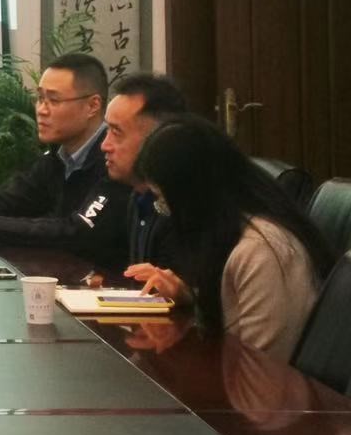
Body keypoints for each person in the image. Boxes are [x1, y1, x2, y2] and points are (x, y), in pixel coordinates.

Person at [128, 116, 333, 361]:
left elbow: (260, 369)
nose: (167, 215)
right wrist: (189, 297)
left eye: (164, 201)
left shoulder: (262, 252)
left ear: (192, 197)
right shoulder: (232, 236)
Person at [0, 52, 128, 265]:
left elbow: (74, 231)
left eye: (53, 100)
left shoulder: (115, 160)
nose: (42, 110)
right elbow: (13, 197)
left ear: (92, 106)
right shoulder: (57, 155)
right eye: (40, 99)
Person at [101, 72, 189, 271]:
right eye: (107, 130)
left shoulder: (182, 209)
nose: (104, 145)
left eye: (116, 132)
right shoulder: (139, 196)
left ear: (159, 138)